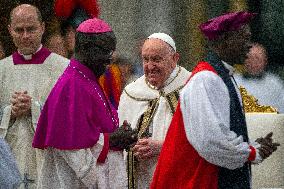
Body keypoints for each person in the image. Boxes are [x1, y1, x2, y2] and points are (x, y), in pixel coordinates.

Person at [151, 12, 280, 189]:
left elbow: (220, 134)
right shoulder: (205, 79)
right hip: (199, 180)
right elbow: (211, 142)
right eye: (245, 38)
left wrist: (252, 147)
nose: (249, 46)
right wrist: (251, 152)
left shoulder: (222, 75)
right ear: (226, 40)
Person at [32, 18, 128, 188]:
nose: (109, 60)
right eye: (105, 53)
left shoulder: (87, 79)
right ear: (85, 50)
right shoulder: (72, 86)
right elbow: (71, 148)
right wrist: (110, 141)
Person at [0, 4, 68, 189]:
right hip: (9, 156)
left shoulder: (63, 69)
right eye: (19, 30)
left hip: (49, 160)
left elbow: (70, 118)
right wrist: (9, 112)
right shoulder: (1, 70)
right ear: (10, 31)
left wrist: (35, 108)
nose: (25, 36)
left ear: (42, 28)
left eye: (31, 29)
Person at [118, 33, 191, 189]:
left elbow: (202, 143)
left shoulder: (192, 88)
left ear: (175, 59)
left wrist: (162, 147)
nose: (150, 66)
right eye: (146, 59)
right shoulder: (131, 93)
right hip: (142, 181)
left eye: (157, 59)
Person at [234, 43, 284, 113]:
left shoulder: (275, 84)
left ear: (265, 61)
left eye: (257, 58)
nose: (253, 62)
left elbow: (282, 110)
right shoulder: (234, 81)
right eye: (250, 58)